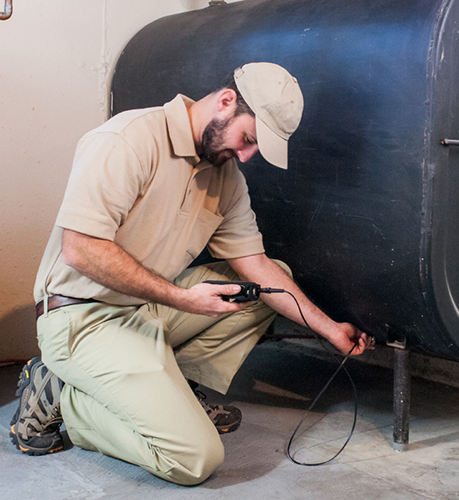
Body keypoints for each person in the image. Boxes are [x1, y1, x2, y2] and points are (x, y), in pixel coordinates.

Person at [10, 62, 374, 485]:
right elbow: (80, 250)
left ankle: (175, 391)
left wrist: (330, 330)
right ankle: (64, 394)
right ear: (225, 102)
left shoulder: (227, 179)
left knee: (264, 285)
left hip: (145, 309)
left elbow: (256, 264)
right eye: (249, 139)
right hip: (82, 318)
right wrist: (182, 298)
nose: (247, 155)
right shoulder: (128, 139)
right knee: (194, 459)